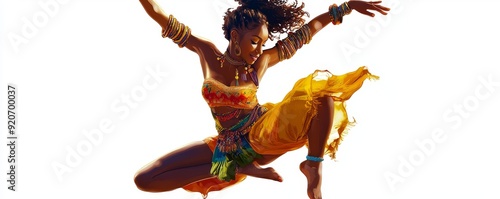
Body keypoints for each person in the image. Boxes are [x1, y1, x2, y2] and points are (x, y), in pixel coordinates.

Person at [134, 0, 389, 198]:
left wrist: (344, 8)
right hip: (225, 146)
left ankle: (313, 165)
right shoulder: (208, 54)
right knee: (145, 179)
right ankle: (232, 168)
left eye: (262, 43)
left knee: (322, 97)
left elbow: (303, 35)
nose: (258, 51)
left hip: (262, 133)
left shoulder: (261, 63)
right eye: (254, 42)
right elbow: (161, 17)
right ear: (235, 37)